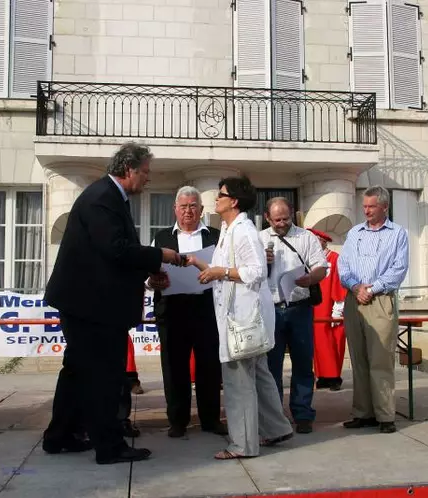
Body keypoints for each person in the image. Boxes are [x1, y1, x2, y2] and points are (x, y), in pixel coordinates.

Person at [42, 142, 183, 465]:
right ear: (129, 170)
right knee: (103, 376)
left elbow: (111, 258)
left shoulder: (107, 197)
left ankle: (59, 435)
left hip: (89, 305)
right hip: (92, 308)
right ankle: (109, 445)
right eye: (145, 172)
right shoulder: (102, 198)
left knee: (77, 372)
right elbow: (115, 250)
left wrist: (149, 273)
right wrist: (159, 256)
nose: (147, 179)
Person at [187, 176, 293, 459]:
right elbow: (227, 267)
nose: (215, 199)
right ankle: (277, 428)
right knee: (259, 375)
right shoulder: (230, 229)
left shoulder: (243, 230)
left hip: (242, 321)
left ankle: (243, 445)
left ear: (233, 201)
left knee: (238, 383)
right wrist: (202, 265)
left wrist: (219, 272)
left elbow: (256, 271)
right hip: (240, 319)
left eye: (220, 194)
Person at [147, 186, 226, 438]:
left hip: (207, 308)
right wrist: (152, 282)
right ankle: (178, 420)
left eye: (193, 206)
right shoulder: (159, 239)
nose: (188, 211)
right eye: (183, 206)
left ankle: (210, 418)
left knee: (209, 365)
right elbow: (146, 276)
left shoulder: (216, 236)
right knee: (173, 366)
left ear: (201, 210)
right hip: (172, 309)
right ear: (175, 210)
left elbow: (225, 268)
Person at [338, 186, 408, 434]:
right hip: (353, 298)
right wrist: (356, 287)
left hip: (380, 300)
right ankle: (363, 412)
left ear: (384, 207)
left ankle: (385, 415)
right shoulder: (354, 233)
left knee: (380, 358)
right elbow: (343, 265)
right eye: (364, 206)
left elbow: (399, 269)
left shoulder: (398, 234)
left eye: (371, 206)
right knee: (358, 358)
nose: (366, 210)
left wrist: (373, 288)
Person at [259, 198, 327, 434]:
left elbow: (321, 267)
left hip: (299, 307)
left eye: (286, 218)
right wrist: (261, 262)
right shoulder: (259, 239)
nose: (282, 223)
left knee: (302, 363)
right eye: (277, 220)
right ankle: (276, 416)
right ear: (267, 218)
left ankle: (303, 413)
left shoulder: (305, 237)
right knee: (271, 366)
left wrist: (311, 278)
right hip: (271, 309)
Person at [307, 228, 347, 391]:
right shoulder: (310, 260)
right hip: (315, 306)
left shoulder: (335, 258)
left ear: (323, 242)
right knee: (317, 343)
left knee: (333, 342)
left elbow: (339, 282)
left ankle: (334, 377)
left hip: (331, 307)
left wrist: (338, 307)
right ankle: (322, 375)